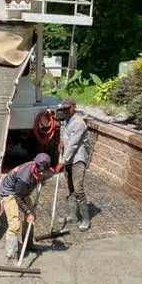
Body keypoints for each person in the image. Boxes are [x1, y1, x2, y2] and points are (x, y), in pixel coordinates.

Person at [0, 152, 54, 260]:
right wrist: (27, 213)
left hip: (22, 192)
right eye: (39, 171)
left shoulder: (43, 170)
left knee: (32, 217)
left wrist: (42, 179)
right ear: (35, 165)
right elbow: (18, 197)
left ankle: (28, 244)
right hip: (10, 192)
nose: (41, 173)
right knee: (15, 222)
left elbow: (50, 173)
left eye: (43, 172)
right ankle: (11, 252)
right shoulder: (24, 177)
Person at [55, 98, 91, 231]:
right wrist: (62, 141)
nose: (65, 110)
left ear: (74, 107)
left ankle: (86, 219)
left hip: (77, 159)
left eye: (67, 108)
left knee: (78, 189)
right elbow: (66, 137)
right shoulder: (67, 120)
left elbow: (74, 144)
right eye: (63, 108)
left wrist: (62, 161)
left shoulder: (79, 123)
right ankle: (72, 215)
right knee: (70, 188)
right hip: (69, 158)